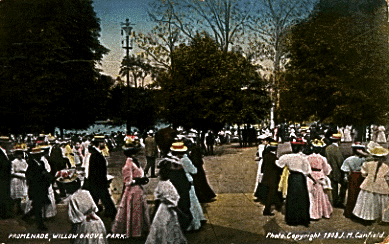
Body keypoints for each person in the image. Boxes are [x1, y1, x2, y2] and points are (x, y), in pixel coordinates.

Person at [111, 138, 150, 238]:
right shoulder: (128, 164)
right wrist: (139, 180)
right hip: (133, 191)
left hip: (138, 190)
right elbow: (128, 181)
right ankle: (134, 231)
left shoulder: (134, 161)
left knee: (138, 210)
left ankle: (139, 229)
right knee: (134, 211)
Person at [145, 159, 188, 244]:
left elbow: (158, 198)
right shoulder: (167, 185)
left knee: (160, 226)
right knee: (167, 226)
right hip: (168, 210)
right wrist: (182, 214)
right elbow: (171, 203)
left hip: (161, 209)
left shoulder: (161, 183)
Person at [171, 141, 206, 231]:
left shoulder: (171, 160)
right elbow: (194, 171)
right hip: (187, 182)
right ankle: (195, 222)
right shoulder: (185, 160)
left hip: (177, 183)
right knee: (192, 202)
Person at [276, 143, 313, 226]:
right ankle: (303, 219)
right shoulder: (303, 158)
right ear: (301, 149)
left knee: (292, 197)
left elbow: (278, 163)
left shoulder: (287, 157)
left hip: (292, 177)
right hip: (300, 178)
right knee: (302, 197)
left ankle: (292, 219)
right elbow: (307, 171)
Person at [353, 143, 389, 223]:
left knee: (367, 200)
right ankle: (379, 217)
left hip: (368, 183)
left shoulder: (367, 164)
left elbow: (363, 174)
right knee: (380, 200)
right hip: (381, 184)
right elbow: (387, 177)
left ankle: (366, 216)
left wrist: (369, 176)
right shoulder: (386, 167)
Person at [68, 179, 108, 244]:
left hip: (84, 223)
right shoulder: (86, 192)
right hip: (96, 220)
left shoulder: (73, 197)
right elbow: (94, 207)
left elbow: (75, 216)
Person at [87, 139, 117, 220]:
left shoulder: (96, 154)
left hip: (97, 182)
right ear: (99, 143)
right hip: (98, 182)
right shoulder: (96, 155)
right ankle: (112, 214)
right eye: (103, 142)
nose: (104, 144)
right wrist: (104, 180)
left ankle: (107, 212)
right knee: (104, 198)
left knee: (98, 199)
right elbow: (95, 171)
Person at [25, 147, 53, 230]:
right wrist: (42, 176)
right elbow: (30, 177)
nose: (40, 156)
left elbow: (44, 172)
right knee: (38, 206)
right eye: (38, 154)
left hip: (42, 187)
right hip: (36, 188)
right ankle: (40, 225)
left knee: (38, 205)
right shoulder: (31, 164)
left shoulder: (41, 163)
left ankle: (27, 216)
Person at [306, 139, 333, 220]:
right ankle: (321, 212)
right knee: (320, 194)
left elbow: (306, 168)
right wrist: (325, 173)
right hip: (319, 175)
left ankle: (312, 213)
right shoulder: (322, 158)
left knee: (311, 195)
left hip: (310, 175)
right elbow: (326, 169)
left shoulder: (308, 157)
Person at [341, 143, 369, 218]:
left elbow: (345, 170)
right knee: (359, 195)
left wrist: (346, 177)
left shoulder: (349, 159)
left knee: (352, 194)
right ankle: (357, 213)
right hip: (362, 177)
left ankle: (349, 211)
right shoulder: (365, 159)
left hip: (353, 176)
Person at [258, 142, 283, 216]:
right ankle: (266, 210)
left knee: (272, 193)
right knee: (271, 194)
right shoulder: (275, 158)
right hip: (273, 178)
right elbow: (278, 168)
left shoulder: (266, 156)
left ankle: (279, 205)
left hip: (266, 177)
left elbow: (263, 167)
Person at [325, 133, 346, 208]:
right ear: (339, 141)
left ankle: (335, 200)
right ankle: (339, 201)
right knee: (344, 185)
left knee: (334, 186)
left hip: (330, 170)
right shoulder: (336, 149)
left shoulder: (327, 148)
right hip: (338, 170)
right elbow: (340, 161)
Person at [10, 147, 28, 215]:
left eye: (21, 154)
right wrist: (21, 174)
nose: (20, 155)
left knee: (22, 194)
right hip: (16, 179)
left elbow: (26, 168)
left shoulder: (24, 161)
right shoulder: (13, 162)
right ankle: (17, 208)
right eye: (18, 154)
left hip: (23, 179)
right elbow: (12, 172)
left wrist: (24, 172)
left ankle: (21, 208)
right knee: (17, 194)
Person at [0, 136, 12, 219]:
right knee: (2, 195)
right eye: (7, 143)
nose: (9, 145)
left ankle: (5, 212)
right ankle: (3, 214)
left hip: (5, 177)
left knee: (5, 195)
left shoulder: (5, 152)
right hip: (2, 177)